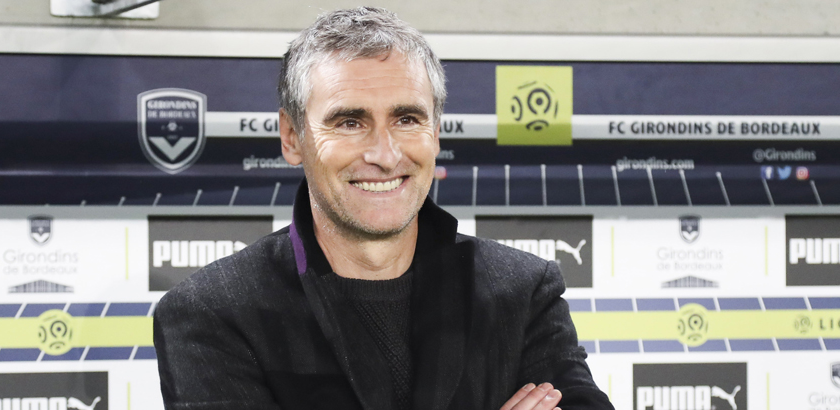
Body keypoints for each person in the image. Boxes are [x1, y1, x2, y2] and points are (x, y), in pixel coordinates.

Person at [154, 7, 614, 410]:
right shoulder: (209, 314)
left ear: (436, 132)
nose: (385, 153)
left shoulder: (523, 291)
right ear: (292, 138)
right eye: (350, 121)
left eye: (407, 118)